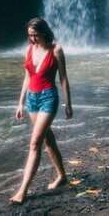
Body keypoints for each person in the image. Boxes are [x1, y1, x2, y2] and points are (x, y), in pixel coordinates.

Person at [9, 17, 73, 204]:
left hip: (48, 98)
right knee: (47, 139)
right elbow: (28, 77)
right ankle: (62, 176)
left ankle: (23, 191)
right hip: (32, 99)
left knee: (35, 142)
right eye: (30, 35)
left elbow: (63, 78)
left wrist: (68, 104)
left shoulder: (56, 50)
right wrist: (20, 103)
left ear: (44, 32)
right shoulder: (29, 49)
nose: (32, 39)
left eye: (35, 35)